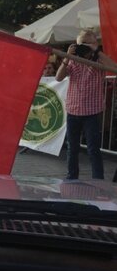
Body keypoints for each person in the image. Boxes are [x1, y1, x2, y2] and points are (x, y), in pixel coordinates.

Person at [55, 30, 117, 180]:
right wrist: (67, 56)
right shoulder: (73, 60)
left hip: (91, 113)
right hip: (73, 111)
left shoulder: (98, 61)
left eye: (88, 43)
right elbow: (58, 77)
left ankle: (98, 181)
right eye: (82, 44)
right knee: (72, 149)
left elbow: (114, 68)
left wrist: (97, 50)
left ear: (95, 44)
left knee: (93, 150)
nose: (85, 47)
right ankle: (72, 178)